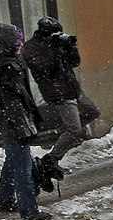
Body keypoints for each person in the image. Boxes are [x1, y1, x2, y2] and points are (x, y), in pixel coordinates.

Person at [0, 23, 52, 220]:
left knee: (12, 161)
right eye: (16, 40)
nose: (21, 43)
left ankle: (5, 200)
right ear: (7, 43)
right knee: (23, 165)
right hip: (15, 124)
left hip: (10, 123)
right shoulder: (8, 67)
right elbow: (14, 104)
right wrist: (25, 128)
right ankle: (29, 209)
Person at [22, 17, 100, 176]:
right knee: (74, 130)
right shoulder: (32, 48)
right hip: (57, 93)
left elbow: (74, 62)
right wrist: (56, 50)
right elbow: (46, 69)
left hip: (72, 89)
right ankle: (50, 161)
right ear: (45, 33)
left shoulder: (55, 45)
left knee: (92, 112)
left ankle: (60, 133)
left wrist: (71, 48)